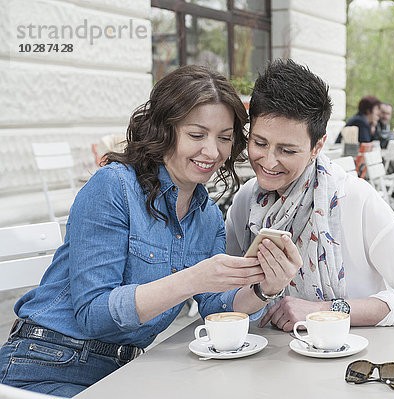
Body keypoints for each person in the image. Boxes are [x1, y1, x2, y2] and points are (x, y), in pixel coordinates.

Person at [0, 65, 271, 397]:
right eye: (197, 135)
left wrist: (263, 288)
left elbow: (216, 308)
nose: (212, 152)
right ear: (164, 130)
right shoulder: (114, 187)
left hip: (128, 371)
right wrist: (192, 278)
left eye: (225, 138)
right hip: (49, 363)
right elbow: (93, 315)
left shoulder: (208, 217)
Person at [226, 59, 394, 332]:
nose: (269, 162)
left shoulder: (354, 200)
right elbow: (229, 300)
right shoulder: (245, 203)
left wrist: (326, 311)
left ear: (316, 147)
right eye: (260, 143)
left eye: (287, 151)